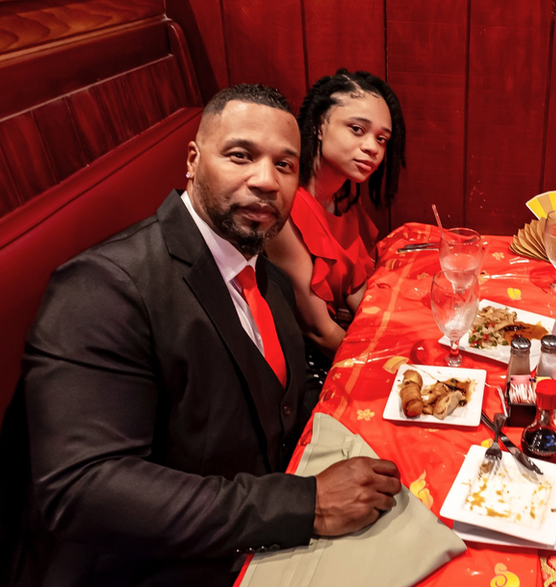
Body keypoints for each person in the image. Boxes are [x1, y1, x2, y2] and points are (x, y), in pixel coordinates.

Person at [13, 84, 402, 586]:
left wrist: (366, 426)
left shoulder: (263, 271)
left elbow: (284, 397)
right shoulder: (102, 287)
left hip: (256, 527)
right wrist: (307, 504)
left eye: (284, 165)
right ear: (193, 160)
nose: (265, 181)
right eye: (241, 155)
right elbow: (85, 489)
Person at [267, 69, 406, 363]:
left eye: (382, 139)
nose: (372, 148)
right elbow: (318, 331)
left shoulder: (343, 200)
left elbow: (357, 292)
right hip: (303, 360)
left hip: (342, 342)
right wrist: (387, 365)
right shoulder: (286, 208)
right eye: (357, 129)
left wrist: (402, 333)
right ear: (319, 125)